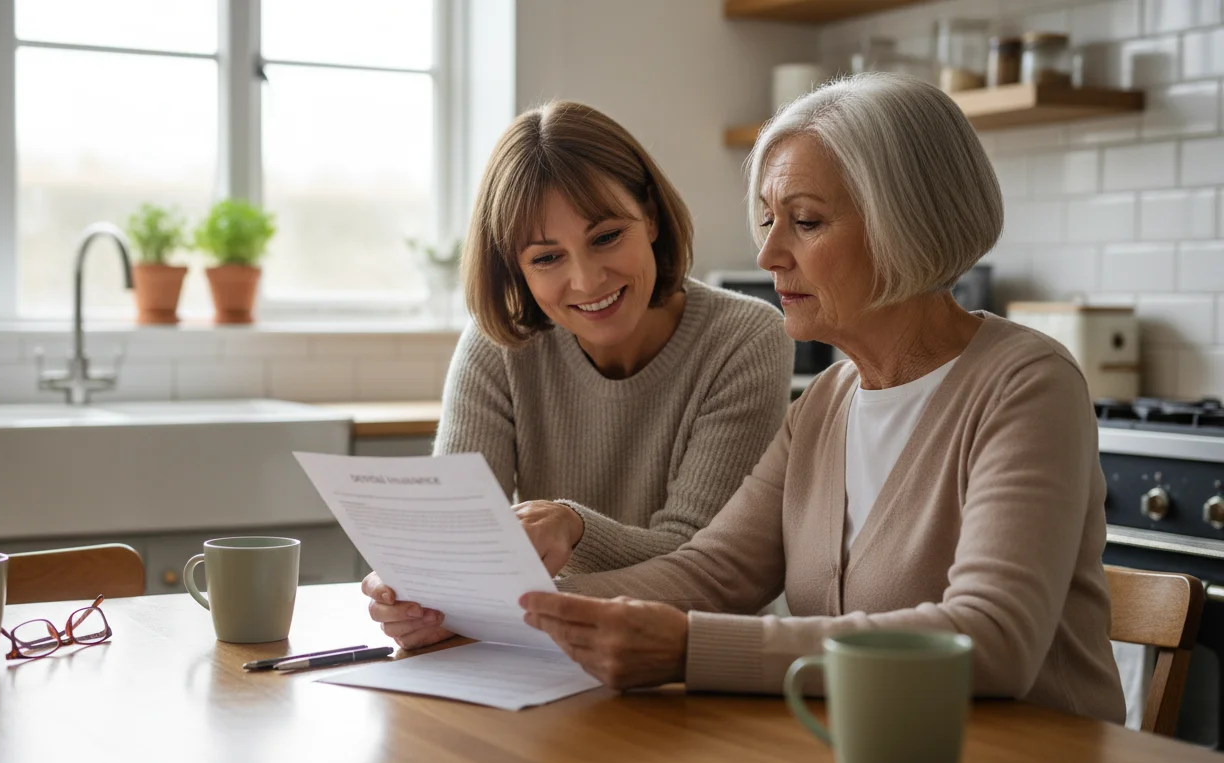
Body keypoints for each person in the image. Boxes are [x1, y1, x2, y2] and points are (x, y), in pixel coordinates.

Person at [519, 73, 1126, 723]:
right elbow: (711, 573)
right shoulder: (824, 404)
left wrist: (691, 648)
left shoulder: (1026, 386)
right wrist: (517, 607)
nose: (769, 252)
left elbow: (991, 638)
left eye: (805, 221)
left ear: (907, 223)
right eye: (769, 220)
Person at [362, 101, 795, 650]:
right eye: (547, 259)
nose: (587, 280)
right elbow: (459, 542)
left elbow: (703, 562)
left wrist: (571, 528)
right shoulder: (500, 345)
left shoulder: (746, 339)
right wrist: (419, 593)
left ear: (652, 219)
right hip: (547, 656)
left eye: (607, 236)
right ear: (514, 268)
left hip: (695, 665)